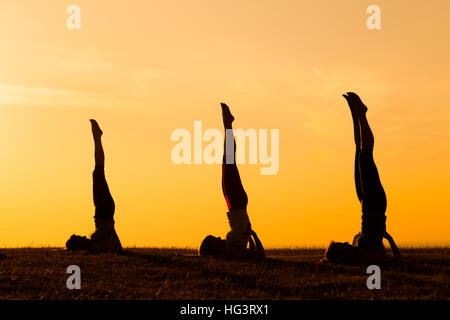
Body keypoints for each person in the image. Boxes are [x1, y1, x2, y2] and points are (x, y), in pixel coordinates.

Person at [324, 93, 401, 264]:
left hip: (365, 204)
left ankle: (355, 115)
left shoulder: (357, 245)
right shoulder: (366, 255)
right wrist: (387, 237)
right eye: (341, 245)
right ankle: (362, 115)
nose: (344, 242)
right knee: (366, 154)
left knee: (358, 151)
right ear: (343, 255)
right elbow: (395, 261)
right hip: (375, 204)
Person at [199, 103, 265, 260]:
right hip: (236, 203)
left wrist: (252, 237)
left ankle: (227, 124)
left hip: (235, 203)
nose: (218, 238)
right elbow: (259, 256)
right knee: (228, 158)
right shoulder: (233, 246)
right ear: (214, 250)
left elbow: (255, 254)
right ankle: (227, 124)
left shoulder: (233, 244)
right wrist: (252, 236)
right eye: (215, 240)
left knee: (228, 159)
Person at [66, 120, 122, 252]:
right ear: (78, 245)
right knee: (98, 172)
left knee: (98, 172)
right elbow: (116, 247)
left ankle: (97, 138)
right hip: (104, 211)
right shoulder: (96, 242)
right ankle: (97, 138)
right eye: (79, 237)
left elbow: (118, 247)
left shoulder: (96, 241)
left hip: (105, 211)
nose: (84, 236)